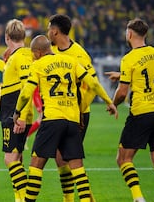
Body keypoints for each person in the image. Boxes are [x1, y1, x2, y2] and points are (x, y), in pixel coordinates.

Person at [13, 35, 118, 202]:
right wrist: (109, 102)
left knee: (36, 165)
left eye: (33, 53)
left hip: (52, 119)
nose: (32, 57)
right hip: (73, 120)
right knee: (78, 168)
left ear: (39, 52)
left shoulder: (38, 65)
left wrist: (17, 111)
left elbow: (26, 92)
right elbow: (94, 84)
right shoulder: (70, 61)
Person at [111, 18, 154, 202]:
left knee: (123, 159)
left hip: (141, 113)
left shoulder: (128, 58)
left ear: (129, 34)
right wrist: (122, 75)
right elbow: (146, 72)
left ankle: (138, 198)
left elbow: (122, 93)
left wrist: (113, 104)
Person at [0, 19, 34, 202]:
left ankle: (26, 198)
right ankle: (19, 198)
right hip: (16, 111)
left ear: (6, 37)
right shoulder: (21, 55)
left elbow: (27, 86)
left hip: (14, 112)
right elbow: (6, 69)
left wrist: (21, 117)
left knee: (10, 159)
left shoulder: (20, 57)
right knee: (17, 158)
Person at [47, 14, 100, 201]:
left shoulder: (79, 54)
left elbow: (92, 86)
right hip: (57, 113)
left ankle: (77, 198)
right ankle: (80, 198)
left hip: (77, 114)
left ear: (55, 31)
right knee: (61, 158)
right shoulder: (49, 51)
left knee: (70, 157)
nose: (47, 33)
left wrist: (79, 109)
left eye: (48, 29)